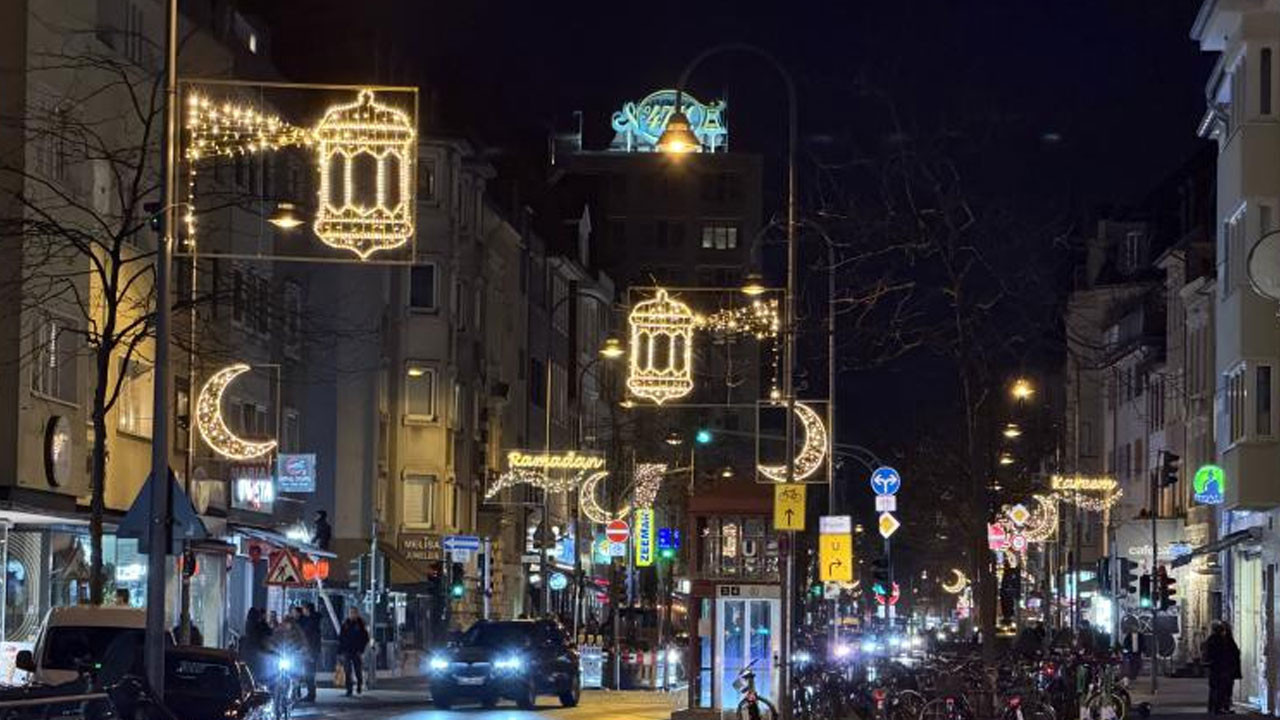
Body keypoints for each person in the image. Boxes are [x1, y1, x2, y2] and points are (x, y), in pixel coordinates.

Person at [1205, 620, 1243, 713]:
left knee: (1217, 688)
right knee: (1222, 688)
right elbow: (1228, 654)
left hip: (1218, 668)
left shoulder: (1216, 639)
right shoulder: (1221, 640)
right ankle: (1218, 707)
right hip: (1222, 668)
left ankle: (1216, 707)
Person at [338, 608, 370, 697]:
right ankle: (349, 689)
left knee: (357, 670)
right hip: (347, 651)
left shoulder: (360, 625)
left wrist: (361, 650)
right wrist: (340, 652)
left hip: (356, 651)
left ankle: (359, 684)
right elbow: (341, 638)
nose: (352, 615)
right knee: (347, 671)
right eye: (351, 613)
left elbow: (365, 638)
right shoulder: (345, 624)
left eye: (354, 613)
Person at [299, 603, 321, 702]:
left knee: (309, 673)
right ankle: (310, 693)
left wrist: (311, 652)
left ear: (307, 609)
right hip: (309, 651)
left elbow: (312, 639)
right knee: (309, 673)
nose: (302, 610)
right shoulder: (310, 621)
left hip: (310, 652)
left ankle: (311, 694)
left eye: (303, 608)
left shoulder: (312, 622)